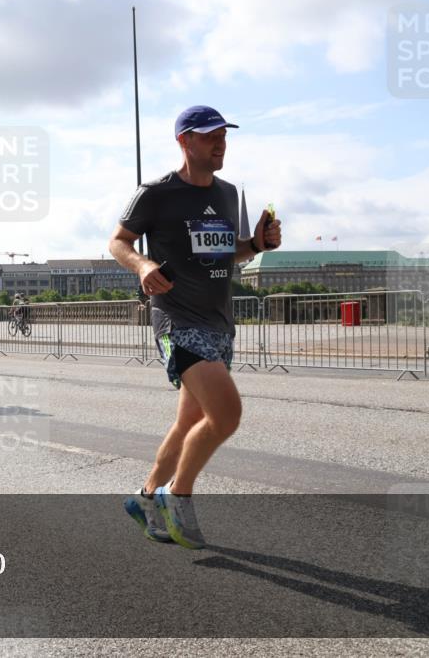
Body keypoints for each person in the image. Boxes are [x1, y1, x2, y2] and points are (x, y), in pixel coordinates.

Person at [109, 105, 281, 549]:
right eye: (209, 135)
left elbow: (228, 253)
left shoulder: (225, 194)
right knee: (226, 415)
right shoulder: (156, 192)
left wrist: (257, 244)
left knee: (190, 420)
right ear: (185, 141)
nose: (220, 142)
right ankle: (176, 496)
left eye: (223, 134)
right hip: (177, 319)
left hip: (220, 323)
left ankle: (145, 498)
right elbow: (118, 242)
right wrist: (143, 265)